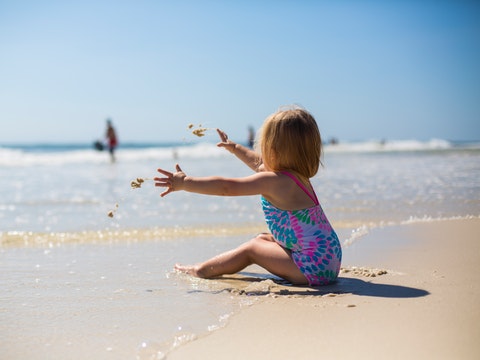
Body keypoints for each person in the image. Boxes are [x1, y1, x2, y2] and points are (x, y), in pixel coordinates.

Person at [154, 106, 342, 286]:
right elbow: (259, 163)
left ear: (273, 150)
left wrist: (186, 183)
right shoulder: (296, 177)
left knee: (252, 249)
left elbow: (227, 187)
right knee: (262, 239)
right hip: (327, 258)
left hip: (312, 267)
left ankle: (201, 270)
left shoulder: (276, 182)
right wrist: (235, 147)